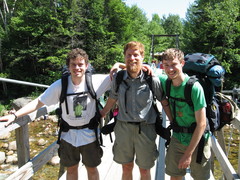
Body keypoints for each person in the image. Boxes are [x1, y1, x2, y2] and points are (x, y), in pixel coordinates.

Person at [0, 48, 124, 180]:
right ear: (68, 66)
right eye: (73, 64)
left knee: (92, 170)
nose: (77, 68)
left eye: (80, 64)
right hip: (68, 136)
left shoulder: (96, 81)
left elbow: (130, 73)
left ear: (86, 66)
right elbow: (38, 102)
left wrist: (119, 65)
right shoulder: (60, 86)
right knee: (71, 171)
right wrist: (14, 116)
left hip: (89, 134)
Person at [100, 41, 172, 180]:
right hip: (123, 128)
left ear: (142, 57)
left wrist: (173, 121)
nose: (132, 58)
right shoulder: (118, 78)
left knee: (144, 170)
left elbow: (164, 101)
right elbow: (112, 98)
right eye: (129, 55)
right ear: (124, 57)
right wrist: (102, 113)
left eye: (136, 55)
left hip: (146, 129)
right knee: (126, 167)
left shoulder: (152, 79)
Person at [159, 48, 211, 180]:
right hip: (178, 138)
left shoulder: (194, 88)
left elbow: (202, 124)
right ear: (162, 66)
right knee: (175, 176)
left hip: (198, 140)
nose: (170, 69)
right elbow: (139, 67)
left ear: (182, 63)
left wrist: (188, 154)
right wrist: (119, 65)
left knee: (200, 178)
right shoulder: (166, 82)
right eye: (166, 65)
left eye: (174, 64)